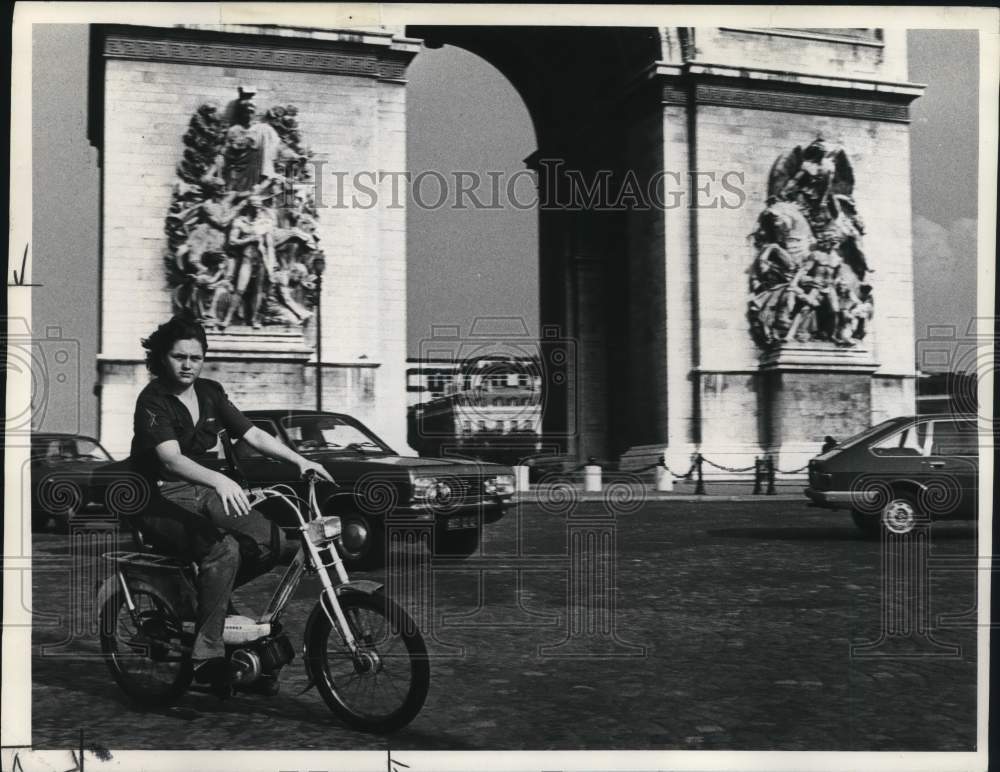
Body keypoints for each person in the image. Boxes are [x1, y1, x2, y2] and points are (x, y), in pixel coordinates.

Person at [128, 316, 332, 693]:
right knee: (222, 552)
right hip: (160, 496)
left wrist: (300, 460)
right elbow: (171, 459)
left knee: (271, 542)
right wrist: (221, 480)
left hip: (206, 492)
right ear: (162, 358)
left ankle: (209, 600)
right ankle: (206, 657)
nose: (188, 364)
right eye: (179, 356)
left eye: (196, 356)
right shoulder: (153, 400)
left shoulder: (210, 392)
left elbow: (252, 432)